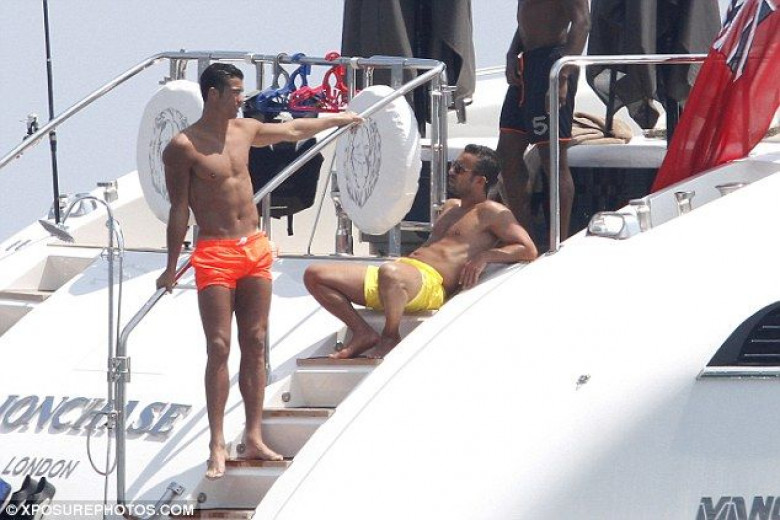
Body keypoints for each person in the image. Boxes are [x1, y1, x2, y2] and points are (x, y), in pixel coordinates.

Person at [155, 63, 362, 479]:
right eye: (234, 91)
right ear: (212, 94)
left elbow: (293, 130)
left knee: (256, 341)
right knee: (219, 346)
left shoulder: (245, 129)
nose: (241, 98)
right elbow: (179, 210)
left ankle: (253, 435)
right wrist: (171, 266)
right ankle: (216, 442)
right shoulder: (183, 146)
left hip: (253, 247)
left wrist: (338, 119)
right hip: (214, 251)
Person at [304, 144, 537, 360]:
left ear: (479, 181)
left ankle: (390, 336)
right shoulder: (450, 206)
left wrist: (485, 256)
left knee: (391, 273)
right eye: (453, 165)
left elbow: (528, 249)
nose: (451, 171)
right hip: (402, 273)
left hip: (430, 284)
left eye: (459, 169)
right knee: (315, 275)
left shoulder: (491, 211)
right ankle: (362, 332)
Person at [497, 0, 590, 244]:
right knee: (507, 154)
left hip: (553, 62)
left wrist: (563, 75)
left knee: (553, 158)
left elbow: (582, 23)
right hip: (526, 64)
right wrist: (512, 52)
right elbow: (526, 20)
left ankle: (558, 243)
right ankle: (526, 240)